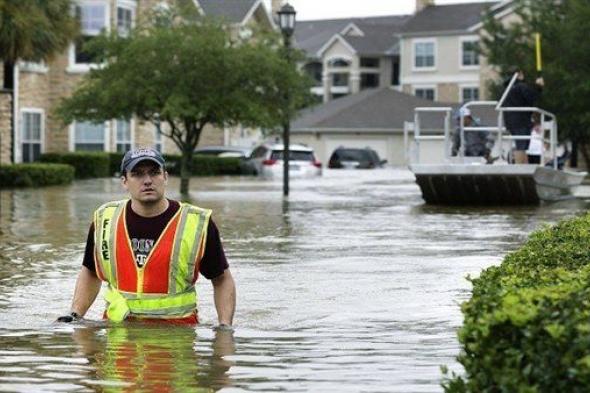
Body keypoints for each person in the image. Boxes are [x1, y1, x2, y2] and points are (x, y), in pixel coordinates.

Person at [57, 148, 236, 329]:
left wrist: (224, 327)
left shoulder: (197, 223)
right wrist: (75, 314)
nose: (148, 180)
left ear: (165, 177)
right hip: (118, 337)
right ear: (124, 181)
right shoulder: (105, 219)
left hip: (177, 339)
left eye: (154, 173)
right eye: (137, 174)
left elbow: (222, 279)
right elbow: (91, 271)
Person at [502, 68, 544, 164]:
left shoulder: (507, 87)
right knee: (521, 145)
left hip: (510, 120)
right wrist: (539, 86)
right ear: (519, 74)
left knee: (522, 145)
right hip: (521, 120)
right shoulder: (520, 86)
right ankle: (520, 167)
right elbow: (532, 97)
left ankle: (524, 166)